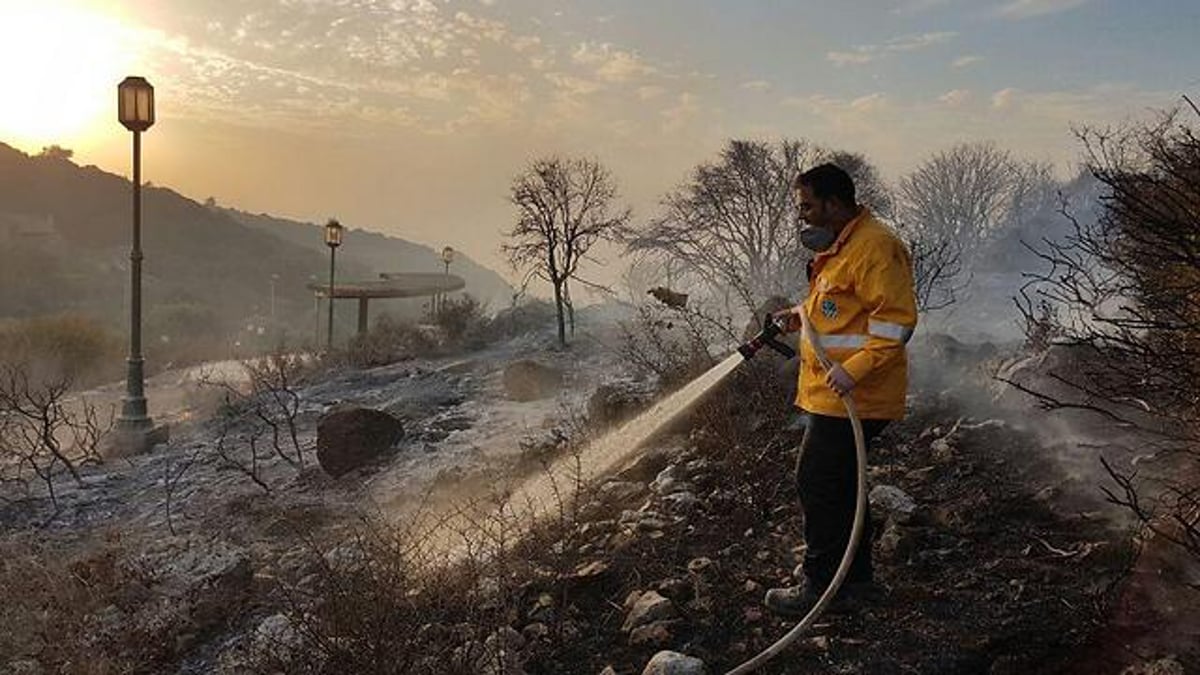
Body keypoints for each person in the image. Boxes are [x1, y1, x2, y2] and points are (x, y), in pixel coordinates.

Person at [764, 163, 918, 616]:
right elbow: (839, 308)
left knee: (819, 482)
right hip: (834, 393)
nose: (803, 216)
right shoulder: (845, 247)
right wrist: (799, 317)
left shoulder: (877, 246)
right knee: (844, 483)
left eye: (808, 206)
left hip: (857, 394)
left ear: (834, 203)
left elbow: (895, 323)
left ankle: (820, 585)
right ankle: (855, 581)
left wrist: (855, 369)